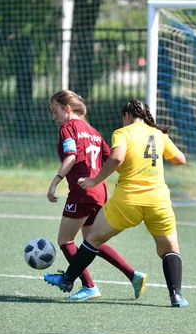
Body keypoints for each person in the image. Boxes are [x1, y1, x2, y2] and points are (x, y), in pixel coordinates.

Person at [44, 99, 189, 307]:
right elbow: (180, 159)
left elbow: (116, 158)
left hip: (127, 200)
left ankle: (69, 279)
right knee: (169, 248)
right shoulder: (159, 134)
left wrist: (94, 180)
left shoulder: (123, 133)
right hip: (158, 201)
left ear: (127, 116)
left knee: (92, 239)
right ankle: (176, 296)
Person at [46, 90, 147, 301]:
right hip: (100, 192)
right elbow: (112, 159)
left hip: (82, 192)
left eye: (54, 110)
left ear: (66, 109)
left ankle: (88, 285)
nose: (53, 115)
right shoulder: (94, 131)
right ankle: (134, 276)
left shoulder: (68, 127)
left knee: (65, 241)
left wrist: (56, 180)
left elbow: (72, 156)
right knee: (92, 242)